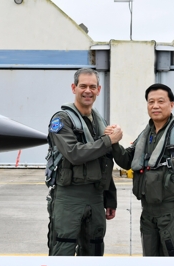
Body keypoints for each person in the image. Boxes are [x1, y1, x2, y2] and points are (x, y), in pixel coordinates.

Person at [107, 83, 174, 256]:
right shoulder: (147, 134)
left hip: (172, 210)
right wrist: (113, 142)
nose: (155, 106)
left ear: (171, 104)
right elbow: (127, 160)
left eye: (161, 101)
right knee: (150, 259)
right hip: (148, 211)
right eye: (151, 102)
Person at [46, 68, 122, 256]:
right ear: (74, 88)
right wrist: (108, 141)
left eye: (92, 87)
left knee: (94, 248)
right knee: (63, 247)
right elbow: (73, 153)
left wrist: (109, 198)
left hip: (96, 196)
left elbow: (105, 162)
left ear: (99, 90)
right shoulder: (62, 120)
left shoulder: (100, 122)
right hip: (69, 196)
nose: (88, 90)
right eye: (83, 86)